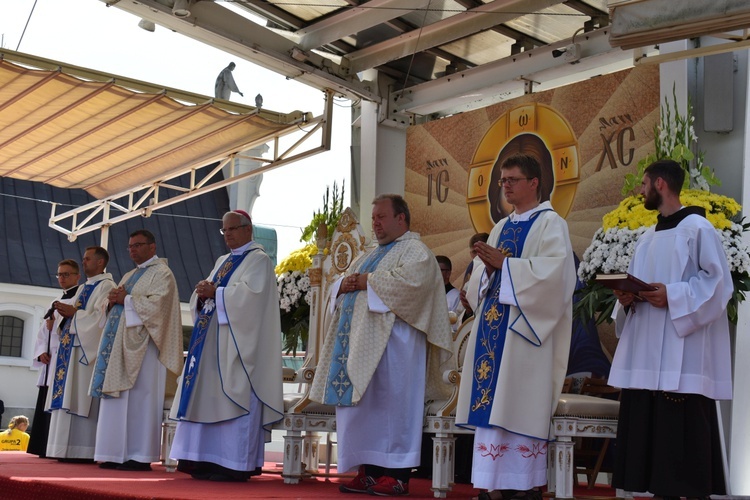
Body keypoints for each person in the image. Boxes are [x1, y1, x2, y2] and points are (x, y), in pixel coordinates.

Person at [310, 194, 453, 497]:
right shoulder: (371, 253)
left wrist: (364, 282)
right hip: (362, 344)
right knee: (367, 409)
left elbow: (410, 287)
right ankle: (369, 472)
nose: (375, 223)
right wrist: (344, 284)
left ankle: (397, 475)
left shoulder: (417, 252)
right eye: (373, 218)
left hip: (396, 347)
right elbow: (344, 280)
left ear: (401, 218)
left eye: (381, 217)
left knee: (392, 408)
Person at [609, 159, 733, 499]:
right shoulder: (648, 235)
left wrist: (673, 296)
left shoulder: (698, 229)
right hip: (647, 351)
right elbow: (637, 282)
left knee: (681, 445)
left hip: (683, 352)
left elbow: (719, 286)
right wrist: (627, 297)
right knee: (652, 446)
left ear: (661, 184)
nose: (641, 190)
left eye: (645, 183)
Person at [455, 153, 576, 500]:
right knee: (494, 406)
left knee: (517, 405)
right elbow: (484, 275)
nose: (505, 186)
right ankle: (491, 485)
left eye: (512, 179)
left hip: (524, 335)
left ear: (534, 182)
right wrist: (479, 282)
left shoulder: (552, 224)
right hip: (494, 333)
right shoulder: (501, 226)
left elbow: (556, 278)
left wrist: (506, 266)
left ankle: (520, 486)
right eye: (501, 181)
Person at [170, 210, 283, 482]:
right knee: (206, 397)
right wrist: (201, 292)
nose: (228, 234)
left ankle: (233, 463)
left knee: (235, 397)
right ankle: (202, 460)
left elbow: (252, 299)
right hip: (209, 346)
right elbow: (209, 294)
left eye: (233, 228)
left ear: (248, 229)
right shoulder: (223, 260)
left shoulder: (259, 260)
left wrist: (216, 292)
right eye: (224, 230)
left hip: (238, 348)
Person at [90, 229, 183, 471]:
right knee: (117, 401)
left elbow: (159, 307)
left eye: (138, 245)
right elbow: (114, 303)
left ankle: (139, 456)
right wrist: (110, 300)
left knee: (140, 400)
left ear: (152, 247)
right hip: (118, 346)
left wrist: (127, 300)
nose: (133, 250)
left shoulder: (163, 273)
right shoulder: (130, 274)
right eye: (130, 246)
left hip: (146, 351)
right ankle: (112, 453)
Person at [46, 247, 116, 462]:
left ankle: (81, 450)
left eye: (87, 259)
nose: (83, 262)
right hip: (70, 348)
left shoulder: (107, 286)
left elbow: (102, 320)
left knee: (79, 397)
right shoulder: (84, 286)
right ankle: (61, 449)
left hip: (86, 351)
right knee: (67, 394)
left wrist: (75, 315)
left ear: (100, 262)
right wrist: (63, 316)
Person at [27, 260, 81, 457]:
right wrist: (41, 351)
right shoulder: (55, 301)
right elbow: (42, 333)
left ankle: (52, 447)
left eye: (67, 274)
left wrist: (55, 329)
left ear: (77, 276)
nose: (62, 278)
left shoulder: (79, 299)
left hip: (65, 359)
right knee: (44, 401)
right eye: (59, 274)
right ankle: (41, 447)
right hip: (51, 361)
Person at [459, 232, 489, 322]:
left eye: (481, 250)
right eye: (474, 252)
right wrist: (468, 310)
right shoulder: (469, 272)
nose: (477, 255)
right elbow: (460, 311)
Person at [436, 255, 463, 332]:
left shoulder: (456, 296)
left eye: (438, 270)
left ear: (448, 273)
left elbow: (456, 326)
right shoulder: (428, 294)